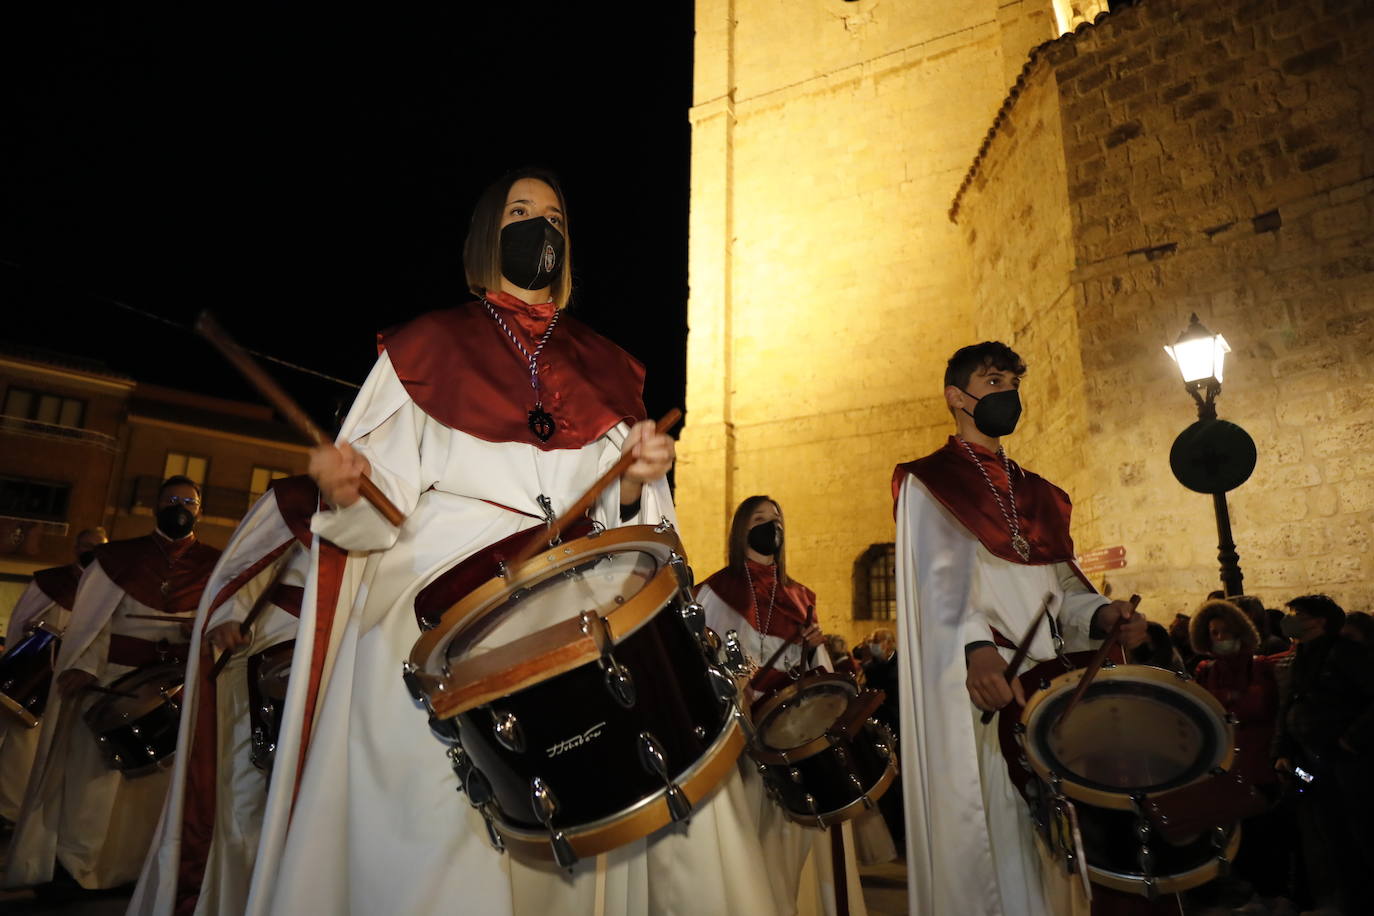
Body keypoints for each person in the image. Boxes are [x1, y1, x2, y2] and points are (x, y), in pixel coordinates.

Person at [244, 169, 782, 916]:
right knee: (418, 763)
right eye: (521, 212)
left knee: (656, 739)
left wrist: (635, 481)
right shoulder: (426, 345)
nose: (542, 228)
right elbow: (382, 498)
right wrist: (351, 487)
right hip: (444, 579)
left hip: (573, 577)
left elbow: (623, 516)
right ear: (486, 237)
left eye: (555, 217)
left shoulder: (606, 363)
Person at [892, 341, 1146, 916]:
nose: (1008, 394)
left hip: (1049, 689)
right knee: (1000, 836)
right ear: (957, 397)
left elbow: (1063, 592)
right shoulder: (929, 482)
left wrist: (1102, 615)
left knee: (1061, 846)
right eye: (993, 382)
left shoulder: (1039, 493)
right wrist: (976, 648)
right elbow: (938, 580)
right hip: (984, 688)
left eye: (1013, 384)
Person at [3, 477, 220, 890]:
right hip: (111, 680)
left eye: (188, 501)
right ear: (155, 506)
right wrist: (84, 665)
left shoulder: (216, 564)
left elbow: (221, 622)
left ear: (200, 510)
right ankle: (75, 868)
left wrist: (200, 636)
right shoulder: (117, 558)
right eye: (171, 500)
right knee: (91, 784)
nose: (179, 507)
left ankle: (131, 871)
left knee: (154, 790)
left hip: (172, 686)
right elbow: (93, 621)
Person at [129, 476, 317, 916]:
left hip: (345, 660)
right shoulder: (296, 500)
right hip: (271, 654)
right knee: (246, 789)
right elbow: (240, 569)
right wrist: (228, 616)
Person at [694, 496, 871, 913]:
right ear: (741, 529)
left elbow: (816, 677)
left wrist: (814, 648)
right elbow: (699, 661)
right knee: (746, 840)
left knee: (791, 845)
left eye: (777, 519)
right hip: (738, 740)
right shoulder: (713, 592)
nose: (771, 526)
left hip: (789, 735)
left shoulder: (800, 596)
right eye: (760, 518)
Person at [1272, 594, 1374, 915]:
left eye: (1298, 614)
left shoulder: (1345, 654)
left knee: (1361, 833)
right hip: (1312, 759)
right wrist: (1284, 751)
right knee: (1333, 835)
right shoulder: (1302, 655)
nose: (1291, 619)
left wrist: (1351, 740)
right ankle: (1352, 902)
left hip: (1347, 762)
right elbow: (1290, 705)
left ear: (1320, 620)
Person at [1188, 598, 1289, 911]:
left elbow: (1267, 710)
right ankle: (1249, 894)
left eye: (1226, 631)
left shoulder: (1262, 668)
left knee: (1267, 836)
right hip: (1225, 769)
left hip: (1260, 765)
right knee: (1236, 839)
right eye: (1214, 633)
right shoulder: (1205, 671)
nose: (1220, 638)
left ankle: (1274, 895)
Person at [0, 528, 107, 823]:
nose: (91, 551)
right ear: (76, 547)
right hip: (36, 674)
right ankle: (9, 808)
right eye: (86, 545)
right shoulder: (51, 582)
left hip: (74, 678)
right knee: (23, 739)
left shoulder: (106, 589)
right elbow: (21, 622)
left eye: (98, 547)